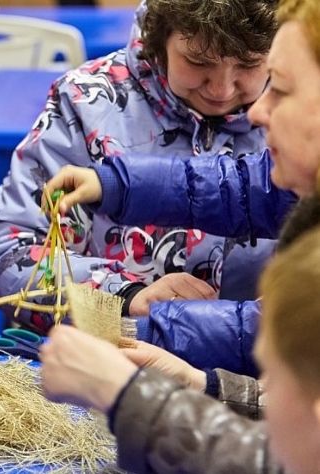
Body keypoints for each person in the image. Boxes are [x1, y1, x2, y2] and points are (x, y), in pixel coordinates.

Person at [41, 1, 320, 472]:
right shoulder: (82, 101)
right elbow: (237, 188)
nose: (255, 110)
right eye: (199, 62)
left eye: (280, 87)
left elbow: (280, 452)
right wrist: (117, 184)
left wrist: (137, 377)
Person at [0, 0, 279, 336]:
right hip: (105, 363)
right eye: (198, 61)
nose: (221, 88)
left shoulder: (301, 117)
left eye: (249, 64)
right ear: (162, 36)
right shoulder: (86, 103)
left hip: (262, 372)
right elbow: (6, 255)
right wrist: (123, 296)